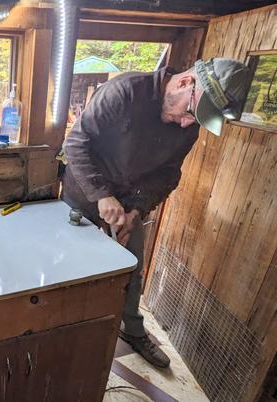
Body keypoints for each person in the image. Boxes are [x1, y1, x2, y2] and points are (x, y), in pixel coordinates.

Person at [62, 58, 251, 368]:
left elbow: (167, 175)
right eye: (192, 113)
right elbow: (76, 143)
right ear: (184, 83)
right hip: (83, 194)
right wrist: (102, 196)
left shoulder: (187, 126)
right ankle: (66, 332)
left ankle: (132, 331)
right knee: (72, 267)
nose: (189, 125)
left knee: (132, 268)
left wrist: (137, 210)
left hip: (128, 204)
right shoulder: (123, 92)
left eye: (198, 121)